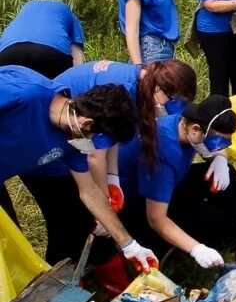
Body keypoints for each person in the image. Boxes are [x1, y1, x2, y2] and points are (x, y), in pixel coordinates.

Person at [20, 59, 198, 272]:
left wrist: (112, 177)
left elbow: (110, 137)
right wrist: (103, 202)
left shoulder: (140, 86)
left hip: (68, 138)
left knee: (81, 211)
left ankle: (79, 268)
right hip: (45, 151)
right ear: (159, 88)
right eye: (175, 101)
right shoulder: (123, 91)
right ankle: (57, 276)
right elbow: (95, 156)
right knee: (65, 216)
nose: (174, 109)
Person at [0, 66, 155, 279]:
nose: (93, 147)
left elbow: (89, 192)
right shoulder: (25, 94)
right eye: (97, 140)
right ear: (87, 123)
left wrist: (129, 244)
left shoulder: (72, 142)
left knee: (11, 246)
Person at [89, 95, 236, 284]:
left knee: (230, 175)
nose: (220, 148)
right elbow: (156, 219)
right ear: (195, 130)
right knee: (207, 221)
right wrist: (196, 249)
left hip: (171, 181)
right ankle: (204, 248)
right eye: (217, 143)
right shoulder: (161, 153)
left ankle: (229, 241)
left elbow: (215, 141)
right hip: (136, 202)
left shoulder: (184, 117)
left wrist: (220, 158)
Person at [0, 0, 86, 78]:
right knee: (57, 91)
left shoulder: (20, 17)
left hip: (9, 52)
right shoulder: (67, 13)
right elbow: (77, 58)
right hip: (51, 52)